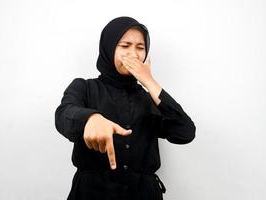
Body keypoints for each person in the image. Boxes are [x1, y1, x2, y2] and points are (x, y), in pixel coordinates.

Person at [55, 16, 196, 200]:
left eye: (140, 47)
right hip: (92, 193)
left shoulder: (149, 99)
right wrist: (90, 118)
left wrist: (149, 81)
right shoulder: (85, 88)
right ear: (108, 47)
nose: (134, 54)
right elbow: (63, 115)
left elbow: (185, 132)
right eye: (124, 46)